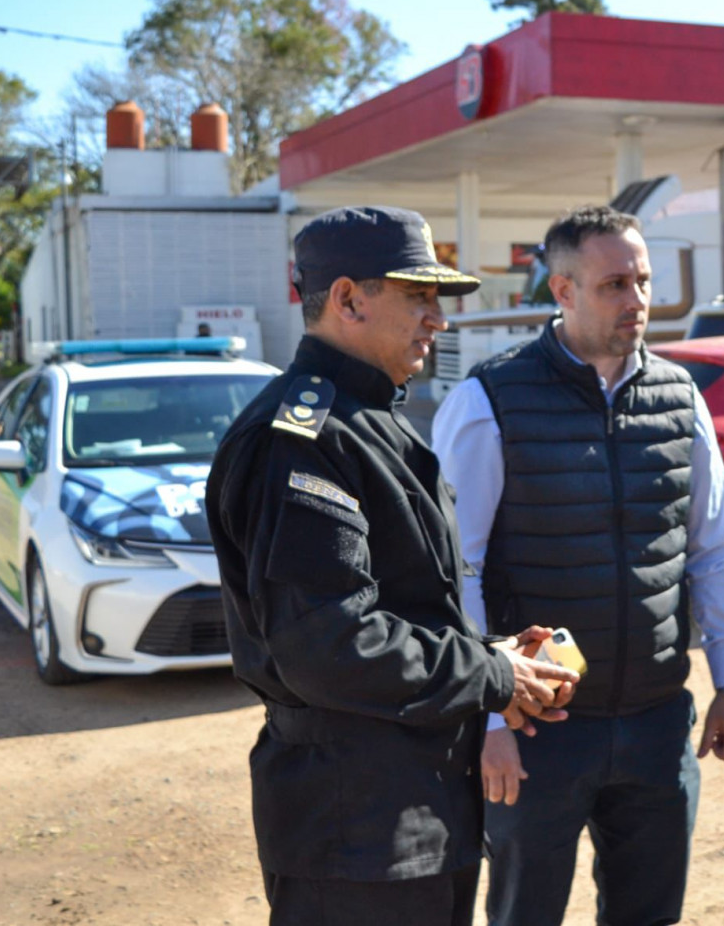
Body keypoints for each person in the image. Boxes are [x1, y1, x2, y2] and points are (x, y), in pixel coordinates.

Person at [205, 206, 580, 926]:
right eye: (417, 297)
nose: (436, 320)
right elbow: (331, 645)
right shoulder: (302, 439)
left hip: (410, 813)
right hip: (353, 829)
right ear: (347, 299)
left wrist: (491, 656)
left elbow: (405, 609)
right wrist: (490, 676)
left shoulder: (367, 419)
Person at [432, 205, 724, 926]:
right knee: (524, 915)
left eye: (642, 281)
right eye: (615, 284)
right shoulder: (487, 402)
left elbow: (710, 550)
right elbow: (461, 574)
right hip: (536, 732)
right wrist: (488, 724)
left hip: (654, 728)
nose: (637, 300)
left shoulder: (681, 401)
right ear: (563, 290)